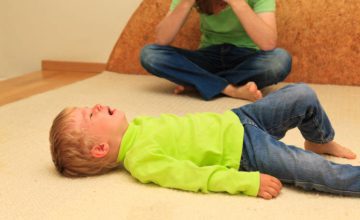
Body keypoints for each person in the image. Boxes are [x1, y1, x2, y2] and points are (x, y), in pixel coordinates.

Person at [49, 84, 359, 199]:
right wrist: (245, 183)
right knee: (317, 172)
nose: (98, 106)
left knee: (302, 94)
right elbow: (194, 177)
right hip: (245, 151)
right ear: (101, 148)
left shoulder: (138, 126)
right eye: (91, 115)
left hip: (239, 118)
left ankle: (319, 139)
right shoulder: (141, 161)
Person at [140, 0, 292, 101]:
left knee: (279, 60)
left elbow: (268, 43)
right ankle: (230, 89)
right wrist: (187, 2)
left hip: (246, 58)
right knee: (150, 55)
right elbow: (162, 39)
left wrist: (238, 3)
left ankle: (199, 83)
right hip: (207, 57)